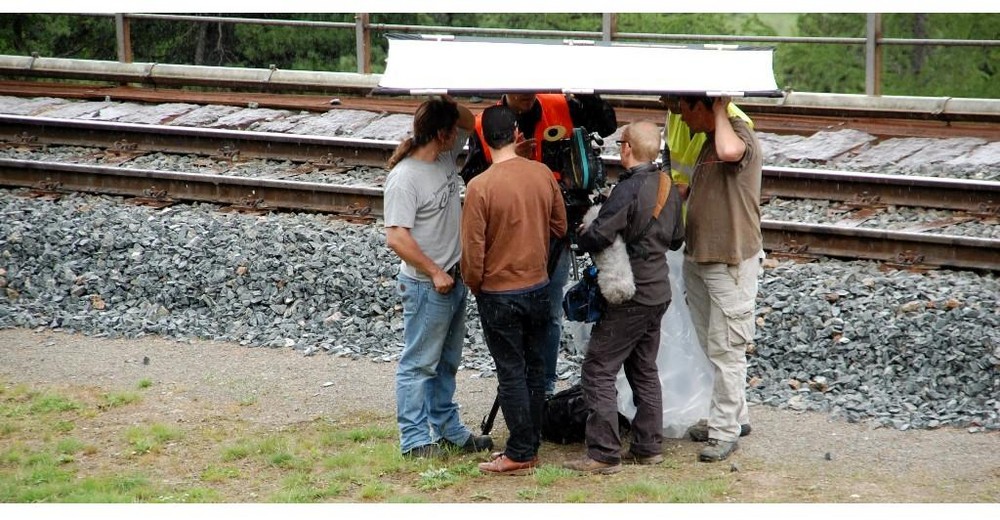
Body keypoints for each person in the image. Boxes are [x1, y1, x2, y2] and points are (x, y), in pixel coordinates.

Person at [461, 92, 617, 397]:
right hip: (509, 231)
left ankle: (541, 387)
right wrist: (509, 161)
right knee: (515, 311)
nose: (526, 94)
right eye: (520, 89)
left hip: (555, 231)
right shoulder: (485, 124)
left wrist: (585, 90)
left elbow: (607, 124)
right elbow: (472, 178)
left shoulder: (560, 105)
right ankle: (519, 385)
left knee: (548, 312)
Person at [562, 120, 685, 474]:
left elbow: (599, 236)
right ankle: (648, 446)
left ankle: (603, 453)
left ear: (627, 148)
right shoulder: (667, 185)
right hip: (658, 291)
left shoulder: (628, 190)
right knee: (644, 368)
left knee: (598, 369)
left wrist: (581, 232)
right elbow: (676, 238)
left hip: (630, 291)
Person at [383, 96, 494, 458]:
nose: (459, 136)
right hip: (426, 284)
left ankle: (447, 429)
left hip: (452, 278)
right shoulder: (404, 178)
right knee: (418, 364)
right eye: (451, 131)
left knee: (446, 362)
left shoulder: (444, 157)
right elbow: (396, 236)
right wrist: (434, 272)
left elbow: (468, 119)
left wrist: (442, 99)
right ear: (442, 135)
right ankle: (415, 440)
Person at [461, 105, 568, 476]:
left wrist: (475, 285)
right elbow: (560, 225)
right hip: (537, 285)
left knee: (511, 371)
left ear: (485, 140)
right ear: (517, 132)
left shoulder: (480, 187)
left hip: (497, 292)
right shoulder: (541, 173)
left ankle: (521, 451)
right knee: (535, 369)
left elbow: (472, 253)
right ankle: (530, 440)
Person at [660, 96, 755, 443]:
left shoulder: (737, 133)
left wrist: (720, 107)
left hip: (728, 257)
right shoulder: (705, 142)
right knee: (709, 342)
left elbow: (731, 153)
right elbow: (685, 189)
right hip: (699, 254)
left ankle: (725, 431)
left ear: (706, 106)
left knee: (726, 345)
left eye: (685, 109)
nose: (681, 118)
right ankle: (731, 416)